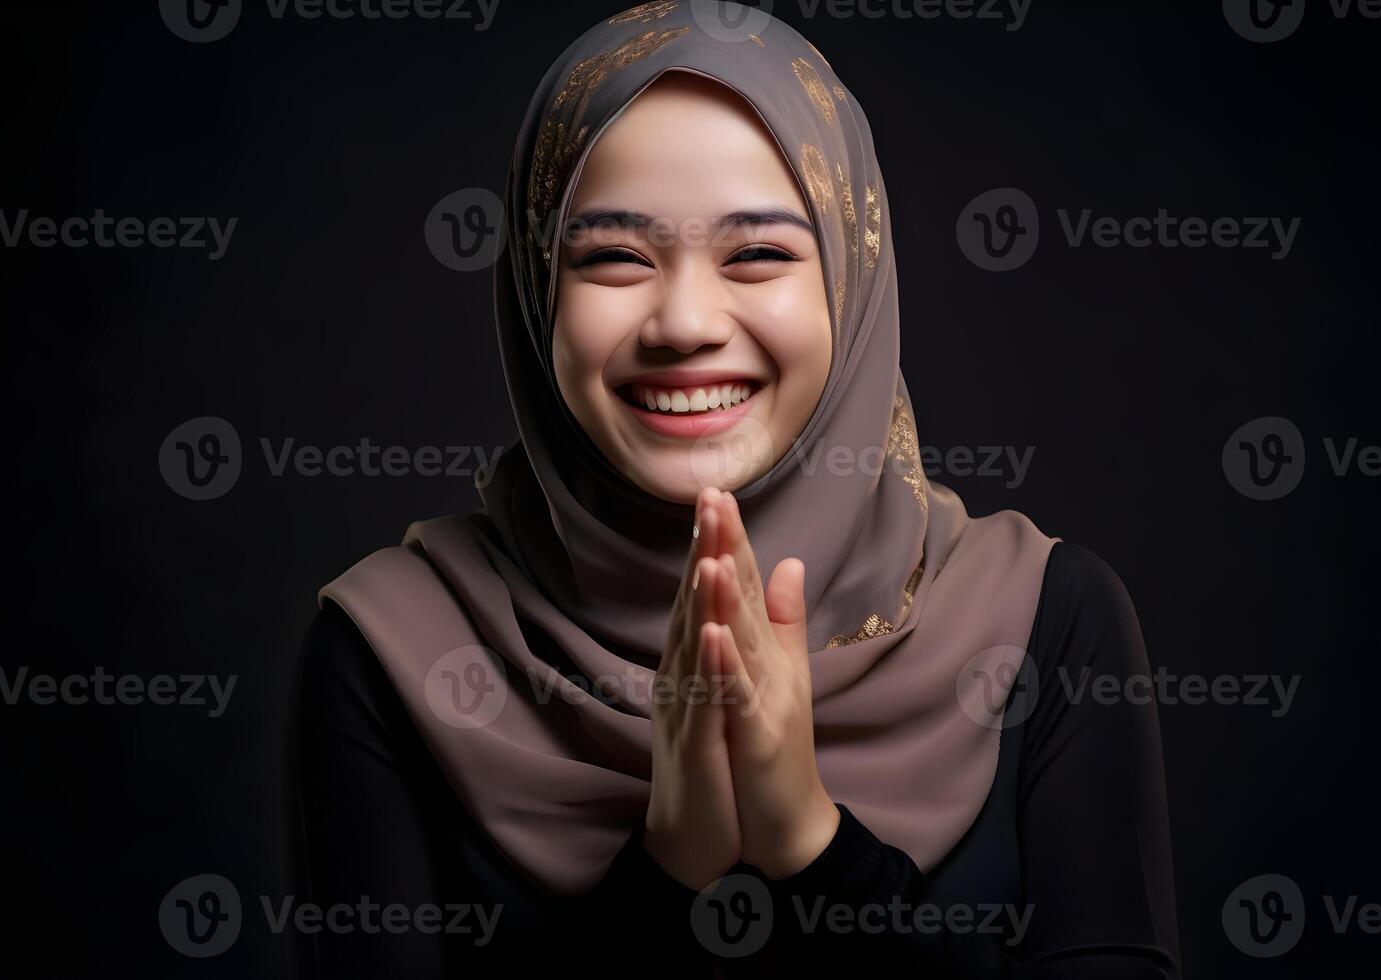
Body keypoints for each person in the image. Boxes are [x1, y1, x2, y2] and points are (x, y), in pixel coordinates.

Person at [295, 3, 1180, 976]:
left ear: (849, 272)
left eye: (758, 253)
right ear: (536, 286)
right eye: (613, 258)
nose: (682, 321)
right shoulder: (397, 647)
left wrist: (807, 837)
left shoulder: (1041, 622)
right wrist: (670, 863)